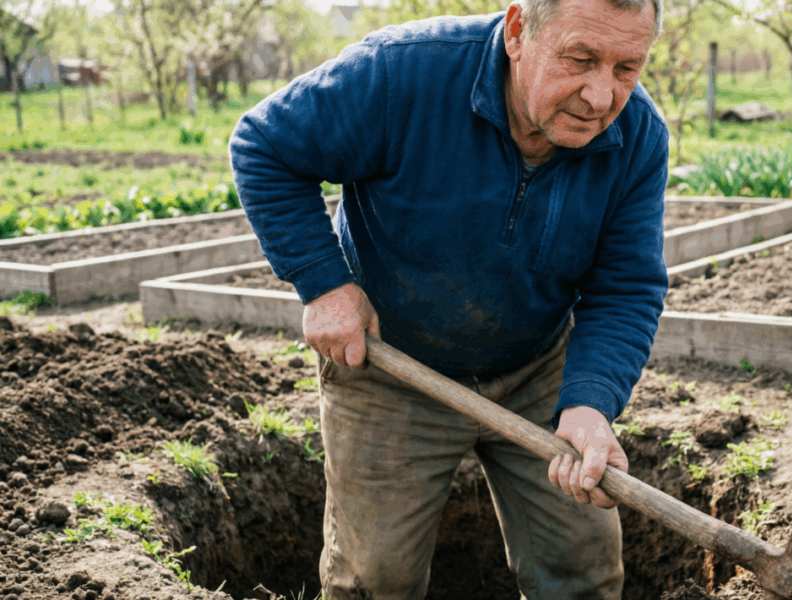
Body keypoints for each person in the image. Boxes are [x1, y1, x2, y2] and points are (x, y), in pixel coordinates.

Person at [228, 0, 669, 596]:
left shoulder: (637, 136)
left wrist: (590, 404)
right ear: (518, 31)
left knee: (581, 570)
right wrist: (325, 285)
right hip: (392, 365)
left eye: (626, 68)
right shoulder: (401, 75)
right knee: (375, 580)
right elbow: (265, 146)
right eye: (579, 59)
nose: (599, 96)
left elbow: (627, 284)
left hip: (539, 371)